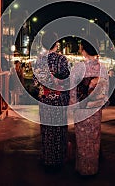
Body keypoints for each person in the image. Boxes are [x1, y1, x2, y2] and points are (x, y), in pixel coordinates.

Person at [69, 38, 109, 176]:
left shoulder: (78, 68)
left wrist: (72, 105)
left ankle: (82, 168)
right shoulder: (102, 68)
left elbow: (73, 89)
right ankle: (93, 168)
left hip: (81, 108)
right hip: (95, 108)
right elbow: (105, 91)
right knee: (94, 138)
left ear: (84, 52)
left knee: (81, 138)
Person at [32, 31, 70, 171]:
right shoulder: (62, 59)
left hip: (45, 99)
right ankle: (59, 159)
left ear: (43, 44)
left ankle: (47, 158)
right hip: (59, 99)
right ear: (56, 44)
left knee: (47, 129)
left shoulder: (39, 60)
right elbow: (67, 81)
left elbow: (35, 82)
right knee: (59, 129)